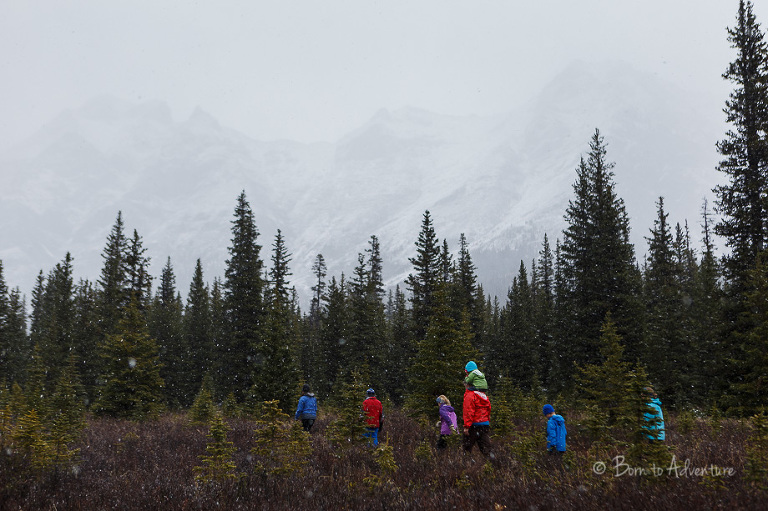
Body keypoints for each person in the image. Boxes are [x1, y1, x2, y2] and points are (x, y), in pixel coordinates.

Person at [462, 382, 492, 455]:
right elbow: (488, 409)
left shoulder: (469, 395)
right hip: (484, 425)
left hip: (473, 425)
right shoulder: (483, 395)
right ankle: (493, 464)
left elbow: (469, 411)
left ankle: (466, 465)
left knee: (467, 449)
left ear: (468, 385)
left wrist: (466, 426)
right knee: (486, 449)